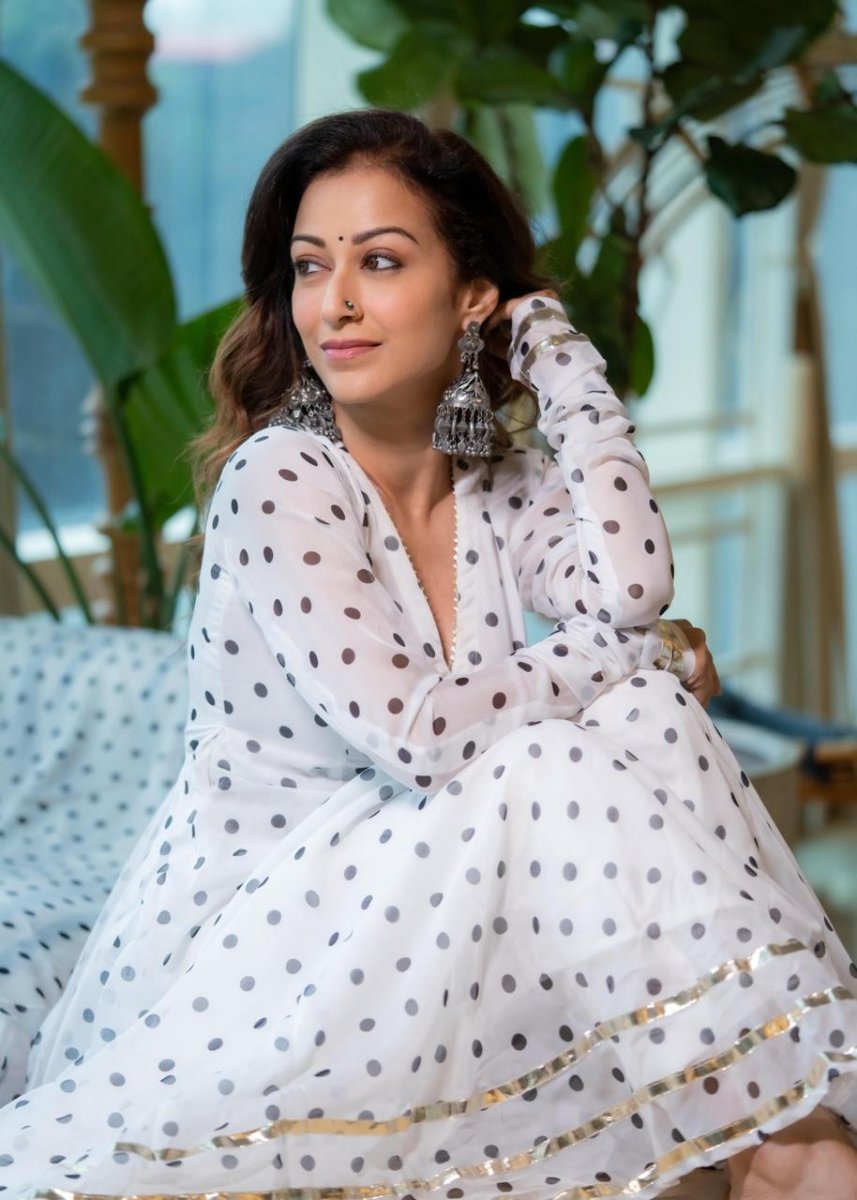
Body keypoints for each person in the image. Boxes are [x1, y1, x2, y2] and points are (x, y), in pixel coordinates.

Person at [0, 110, 855, 1200]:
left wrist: (562, 363)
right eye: (311, 267)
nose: (335, 303)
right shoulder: (279, 479)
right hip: (271, 928)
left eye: (381, 261)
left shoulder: (499, 488)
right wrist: (631, 658)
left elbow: (633, 591)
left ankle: (774, 1133)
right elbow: (419, 736)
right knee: (571, 738)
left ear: (472, 296)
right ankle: (781, 1142)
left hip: (423, 893)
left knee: (640, 716)